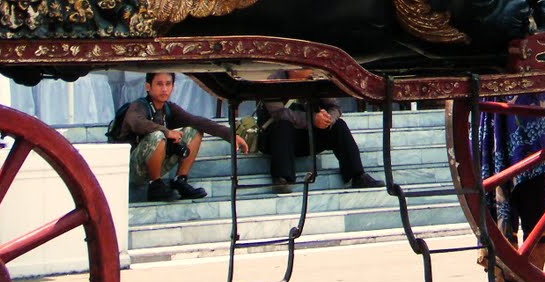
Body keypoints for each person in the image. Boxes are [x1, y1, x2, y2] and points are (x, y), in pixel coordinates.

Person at [466, 91, 545, 282]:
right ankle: (502, 277)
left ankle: (535, 280)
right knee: (491, 192)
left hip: (529, 102)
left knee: (532, 194)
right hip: (490, 107)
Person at [121, 71, 248, 201]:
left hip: (156, 164)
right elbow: (136, 122)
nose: (164, 89)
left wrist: (231, 136)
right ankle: (156, 186)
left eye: (168, 84)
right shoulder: (139, 105)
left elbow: (198, 121)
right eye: (159, 84)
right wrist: (167, 132)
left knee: (194, 130)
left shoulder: (169, 108)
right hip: (132, 169)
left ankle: (180, 181)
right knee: (157, 135)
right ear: (148, 87)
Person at [255, 97, 380, 192]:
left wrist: (327, 119)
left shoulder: (317, 77)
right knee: (283, 125)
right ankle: (282, 178)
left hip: (308, 136)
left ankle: (357, 175)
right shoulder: (274, 80)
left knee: (339, 126)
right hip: (278, 140)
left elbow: (335, 107)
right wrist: (312, 119)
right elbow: (280, 113)